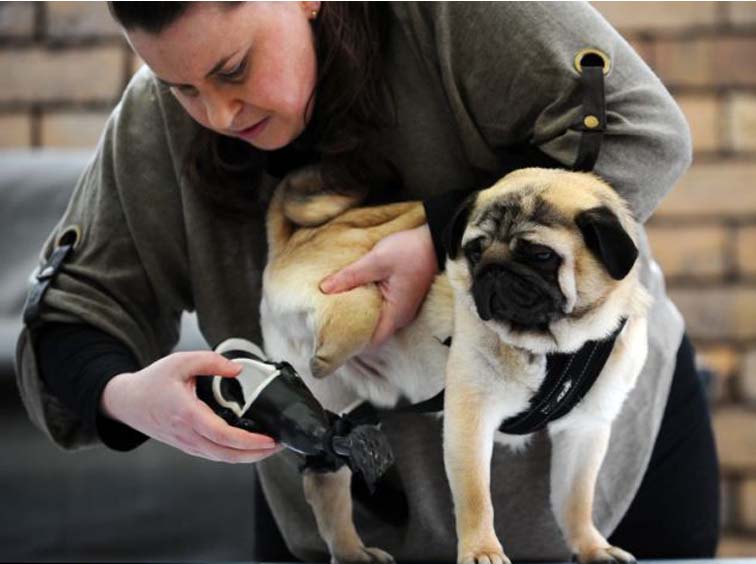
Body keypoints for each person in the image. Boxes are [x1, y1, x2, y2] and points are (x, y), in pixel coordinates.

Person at [16, 2, 720, 561]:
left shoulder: (460, 14)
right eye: (181, 89)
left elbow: (644, 131)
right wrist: (126, 397)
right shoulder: (158, 120)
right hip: (337, 525)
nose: (217, 116)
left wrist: (441, 241)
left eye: (234, 70)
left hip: (607, 483)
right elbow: (72, 319)